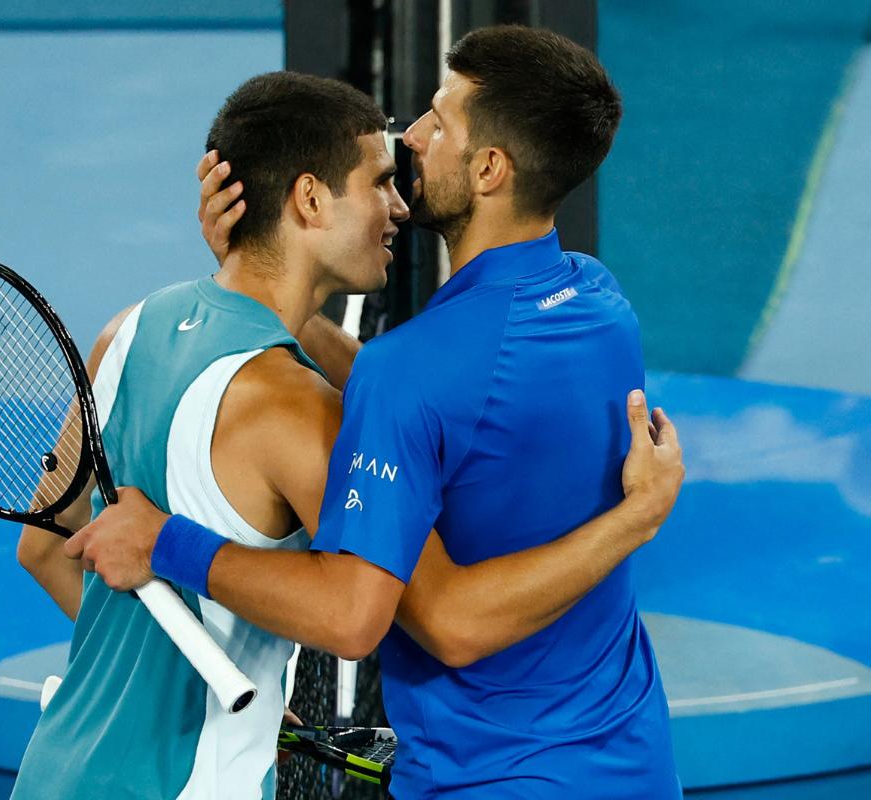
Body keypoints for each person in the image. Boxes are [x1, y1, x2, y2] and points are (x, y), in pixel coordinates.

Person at [69, 26, 682, 800]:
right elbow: (441, 415)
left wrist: (168, 545)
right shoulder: (600, 302)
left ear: (489, 168)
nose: (410, 139)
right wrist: (270, 289)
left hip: (489, 781)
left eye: (437, 118)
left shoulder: (408, 372)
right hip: (633, 757)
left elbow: (447, 623)